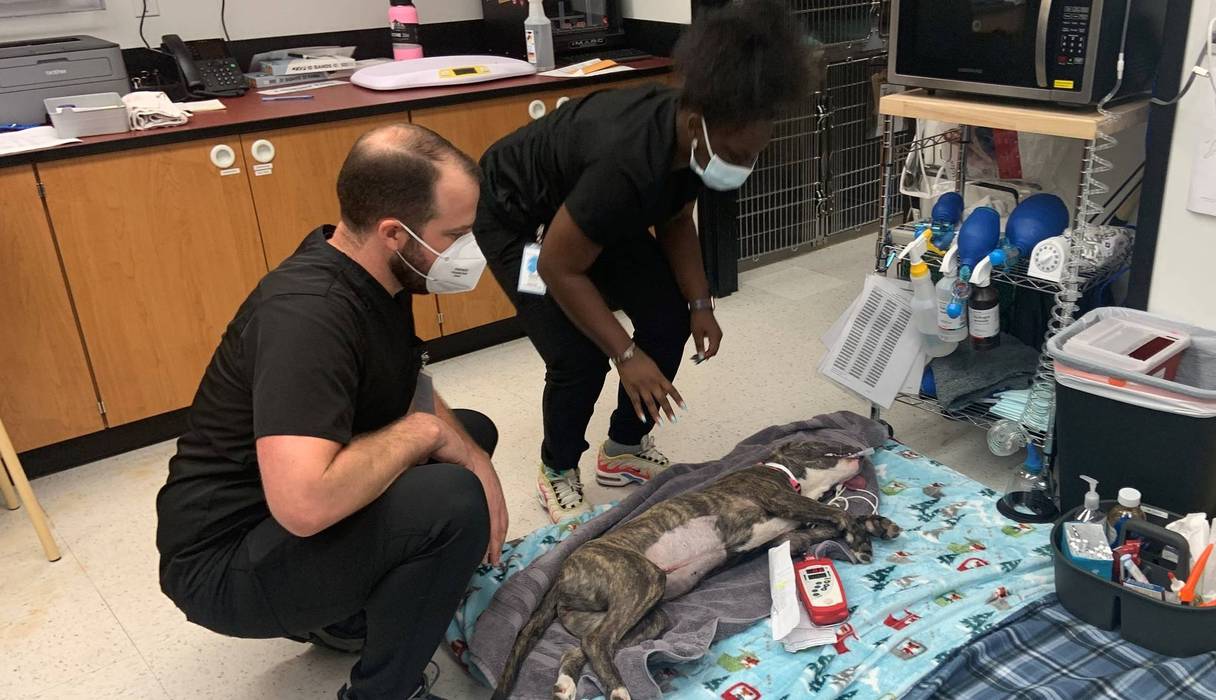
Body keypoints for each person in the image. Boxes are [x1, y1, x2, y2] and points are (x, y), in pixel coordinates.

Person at [155, 124, 508, 700]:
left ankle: (347, 613)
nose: (471, 251)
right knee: (452, 499)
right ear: (395, 233)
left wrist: (464, 446)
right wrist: (427, 435)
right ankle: (381, 691)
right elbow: (303, 505)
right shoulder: (310, 317)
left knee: (470, 434)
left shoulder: (369, 271)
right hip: (225, 561)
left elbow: (404, 381)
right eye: (458, 234)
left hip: (273, 523)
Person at [474, 0, 813, 522]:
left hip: (591, 213)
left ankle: (624, 451)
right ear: (697, 122)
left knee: (667, 319)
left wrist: (701, 303)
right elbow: (558, 268)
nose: (743, 166)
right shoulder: (626, 161)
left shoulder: (697, 142)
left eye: (752, 155)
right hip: (522, 220)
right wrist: (625, 355)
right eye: (738, 154)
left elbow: (676, 218)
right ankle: (557, 468)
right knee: (577, 355)